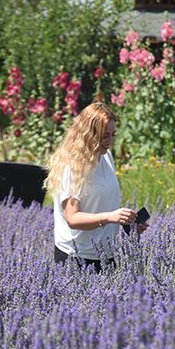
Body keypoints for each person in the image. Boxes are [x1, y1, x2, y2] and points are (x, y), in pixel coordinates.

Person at [44, 102, 147, 272]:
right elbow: (73, 218)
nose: (110, 141)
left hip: (106, 254)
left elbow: (103, 204)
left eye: (113, 135)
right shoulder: (72, 166)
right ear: (89, 134)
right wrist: (110, 217)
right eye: (105, 136)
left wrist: (128, 222)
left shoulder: (105, 157)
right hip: (76, 258)